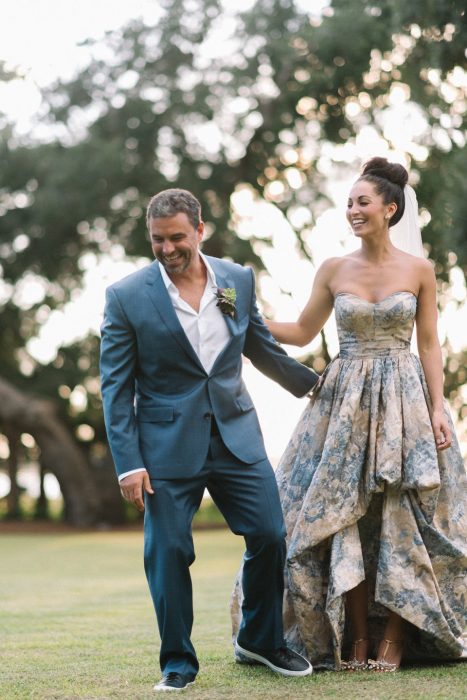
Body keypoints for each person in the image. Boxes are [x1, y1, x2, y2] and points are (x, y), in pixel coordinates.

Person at [231, 157, 467, 671]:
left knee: (406, 515)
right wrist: (238, 312)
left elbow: (428, 345)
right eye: (349, 204)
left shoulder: (419, 270)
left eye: (362, 202)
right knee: (346, 516)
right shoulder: (334, 269)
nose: (353, 211)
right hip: (344, 401)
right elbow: (297, 331)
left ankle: (397, 639)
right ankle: (356, 639)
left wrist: (438, 407)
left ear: (390, 208)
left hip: (404, 400)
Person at [100, 188, 318, 691]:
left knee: (269, 533)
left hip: (236, 435)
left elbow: (257, 344)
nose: (168, 248)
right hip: (164, 448)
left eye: (178, 237)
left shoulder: (234, 280)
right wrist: (128, 464)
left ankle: (259, 640)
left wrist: (315, 385)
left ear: (200, 231)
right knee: (169, 551)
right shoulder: (127, 297)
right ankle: (177, 661)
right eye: (158, 240)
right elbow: (116, 387)